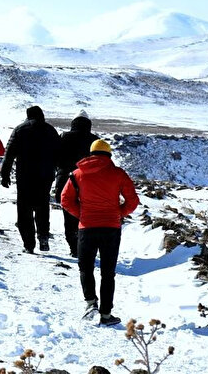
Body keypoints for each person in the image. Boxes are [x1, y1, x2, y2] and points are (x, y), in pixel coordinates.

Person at [61, 139, 139, 326]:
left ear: (91, 153)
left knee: (85, 267)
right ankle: (105, 314)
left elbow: (65, 199)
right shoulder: (118, 174)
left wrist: (82, 214)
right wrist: (118, 213)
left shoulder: (77, 174)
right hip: (111, 228)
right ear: (109, 155)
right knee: (108, 272)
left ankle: (90, 302)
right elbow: (133, 201)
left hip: (87, 227)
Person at [0, 106, 61, 253]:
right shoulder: (51, 130)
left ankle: (29, 244)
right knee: (42, 207)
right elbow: (59, 154)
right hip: (45, 176)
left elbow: (9, 154)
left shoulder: (20, 130)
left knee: (24, 210)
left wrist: (5, 174)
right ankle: (43, 237)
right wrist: (58, 172)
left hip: (25, 177)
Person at [55, 110, 99, 257]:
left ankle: (74, 247)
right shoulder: (95, 140)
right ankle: (84, 246)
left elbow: (57, 159)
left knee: (68, 215)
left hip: (65, 180)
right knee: (85, 216)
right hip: (88, 184)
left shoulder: (64, 137)